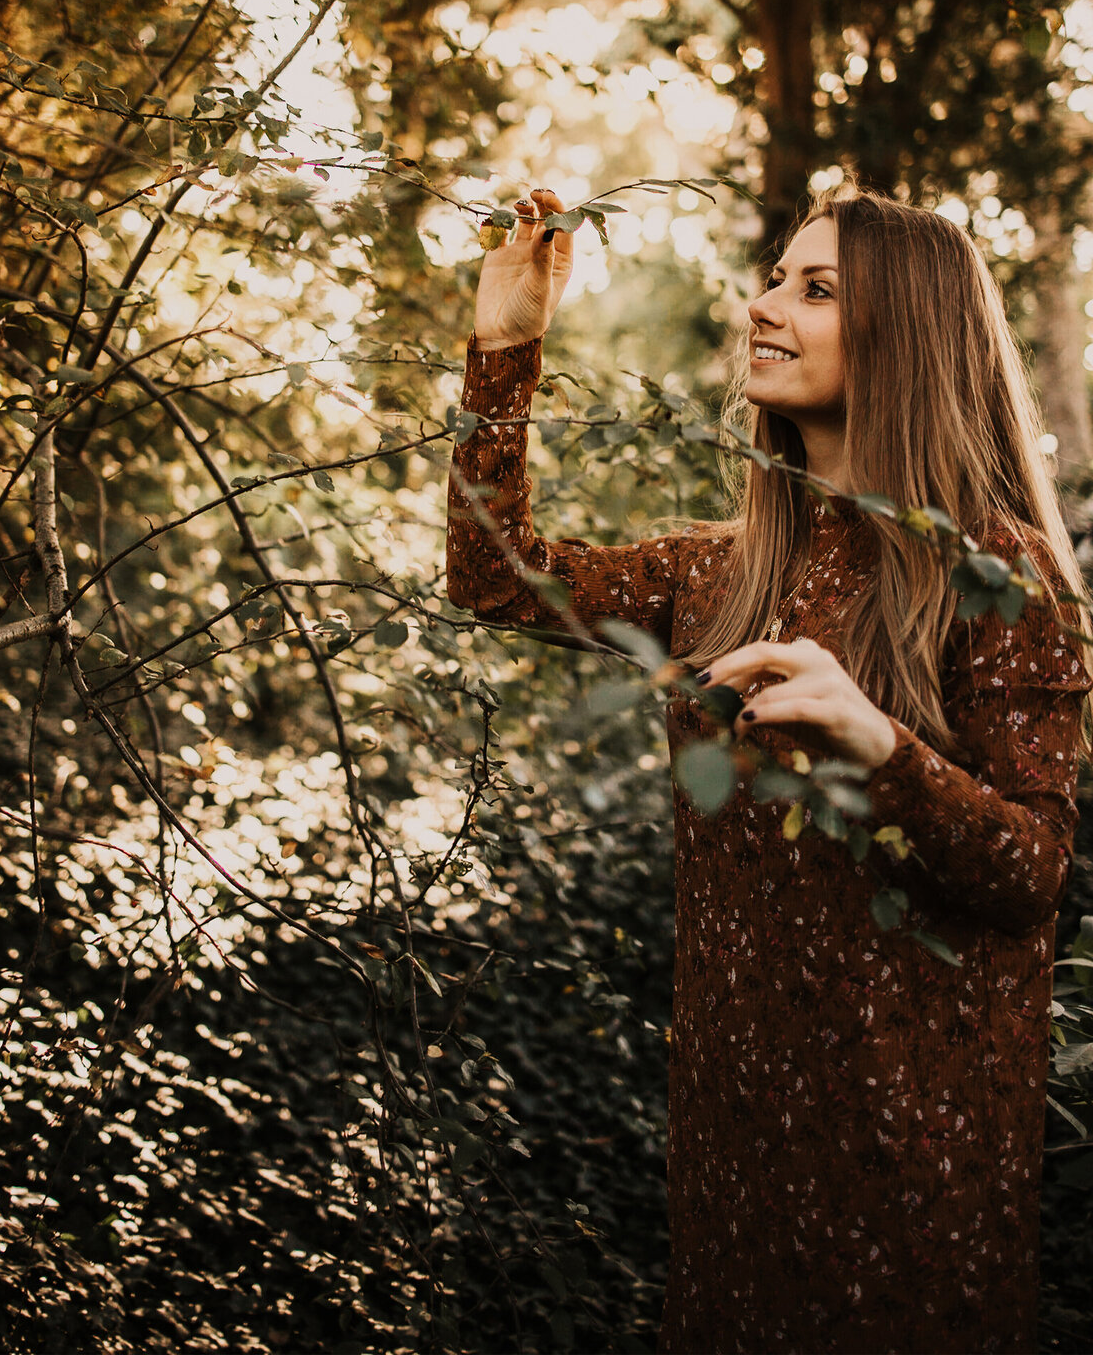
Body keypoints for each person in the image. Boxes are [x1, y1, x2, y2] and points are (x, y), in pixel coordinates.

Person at [445, 184, 1093, 1353]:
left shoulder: (1001, 571)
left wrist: (885, 748)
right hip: (735, 1146)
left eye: (817, 288)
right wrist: (506, 348)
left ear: (909, 329)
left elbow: (1033, 871)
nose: (763, 304)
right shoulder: (725, 569)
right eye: (774, 277)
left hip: (910, 1165)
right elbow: (500, 579)